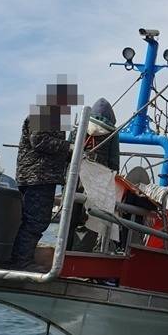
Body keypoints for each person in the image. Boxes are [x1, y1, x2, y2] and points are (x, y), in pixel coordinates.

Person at [10, 81, 79, 270]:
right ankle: (21, 262)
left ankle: (21, 259)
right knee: (35, 220)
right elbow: (39, 140)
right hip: (37, 176)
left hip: (41, 176)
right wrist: (69, 147)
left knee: (36, 220)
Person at [67, 97, 120, 250]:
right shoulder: (112, 133)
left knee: (69, 216)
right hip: (98, 183)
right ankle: (83, 253)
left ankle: (63, 251)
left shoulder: (80, 126)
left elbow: (68, 152)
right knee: (92, 220)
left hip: (75, 178)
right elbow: (114, 164)